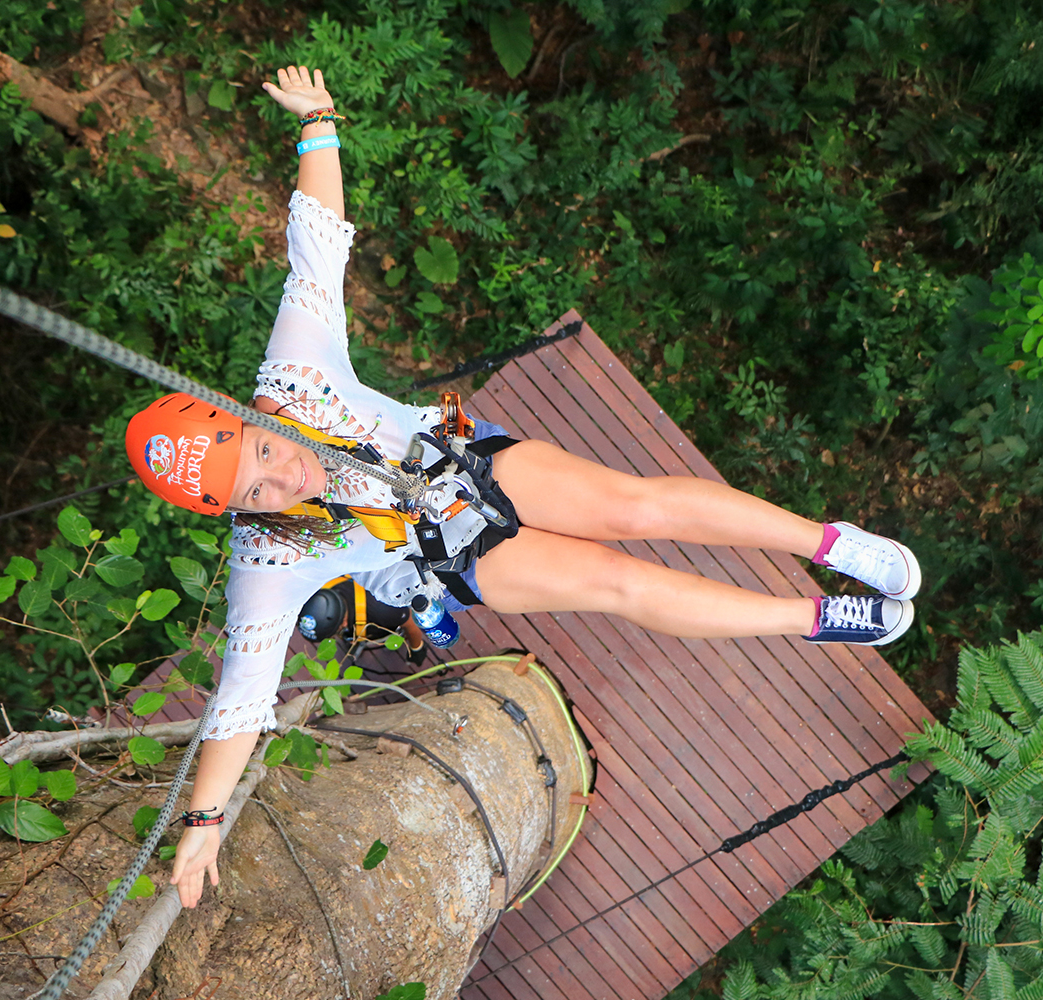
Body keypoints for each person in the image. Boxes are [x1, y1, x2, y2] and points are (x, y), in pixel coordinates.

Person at [123, 66, 923, 909]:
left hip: (465, 465)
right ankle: (817, 618)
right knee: (619, 584)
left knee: (635, 507)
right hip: (447, 556)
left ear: (249, 417)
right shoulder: (263, 561)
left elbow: (318, 241)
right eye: (257, 493)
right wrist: (204, 820)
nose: (283, 478)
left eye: (265, 452)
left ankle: (831, 545)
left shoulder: (293, 370)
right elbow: (238, 703)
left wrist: (319, 121)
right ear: (236, 514)